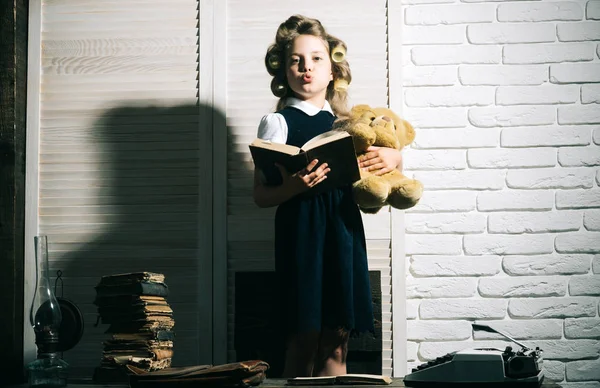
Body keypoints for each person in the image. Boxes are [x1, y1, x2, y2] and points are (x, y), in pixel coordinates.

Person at [253, 15, 403, 378]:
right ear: (283, 71)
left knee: (338, 340)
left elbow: (382, 159)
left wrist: (394, 156)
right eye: (296, 60)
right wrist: (294, 186)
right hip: (300, 231)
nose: (306, 68)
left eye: (317, 59)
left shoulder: (347, 123)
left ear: (332, 70)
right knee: (303, 338)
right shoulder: (276, 123)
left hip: (343, 229)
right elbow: (260, 194)